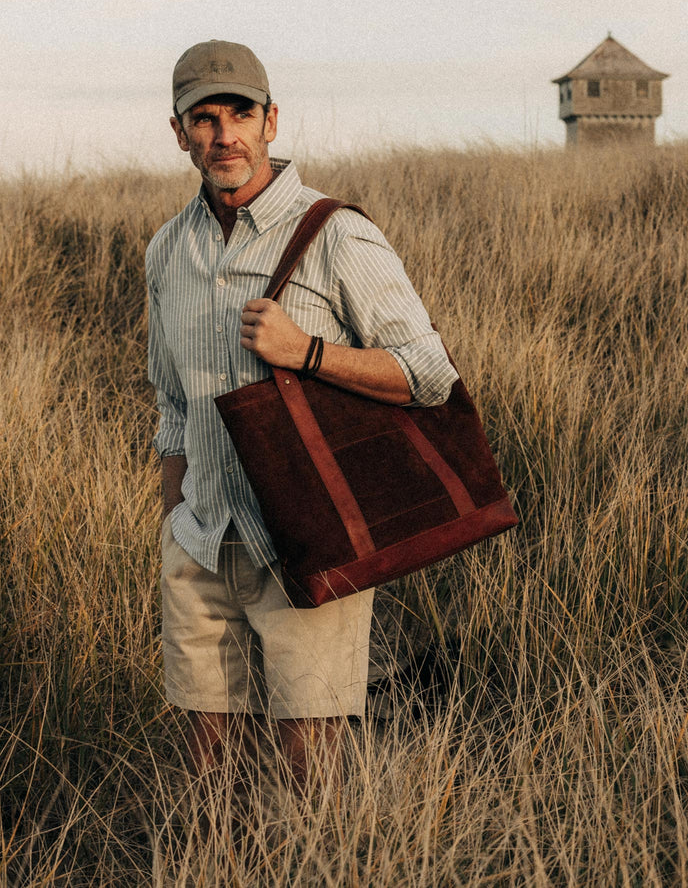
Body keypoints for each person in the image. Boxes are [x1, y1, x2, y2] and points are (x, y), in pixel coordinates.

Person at [147, 39, 457, 795]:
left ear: (273, 120)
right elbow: (173, 404)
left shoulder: (336, 233)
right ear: (179, 131)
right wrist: (169, 528)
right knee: (208, 776)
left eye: (241, 114)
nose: (225, 135)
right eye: (205, 118)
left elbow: (430, 376)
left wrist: (308, 352)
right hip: (200, 537)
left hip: (306, 537)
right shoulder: (167, 250)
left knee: (308, 770)